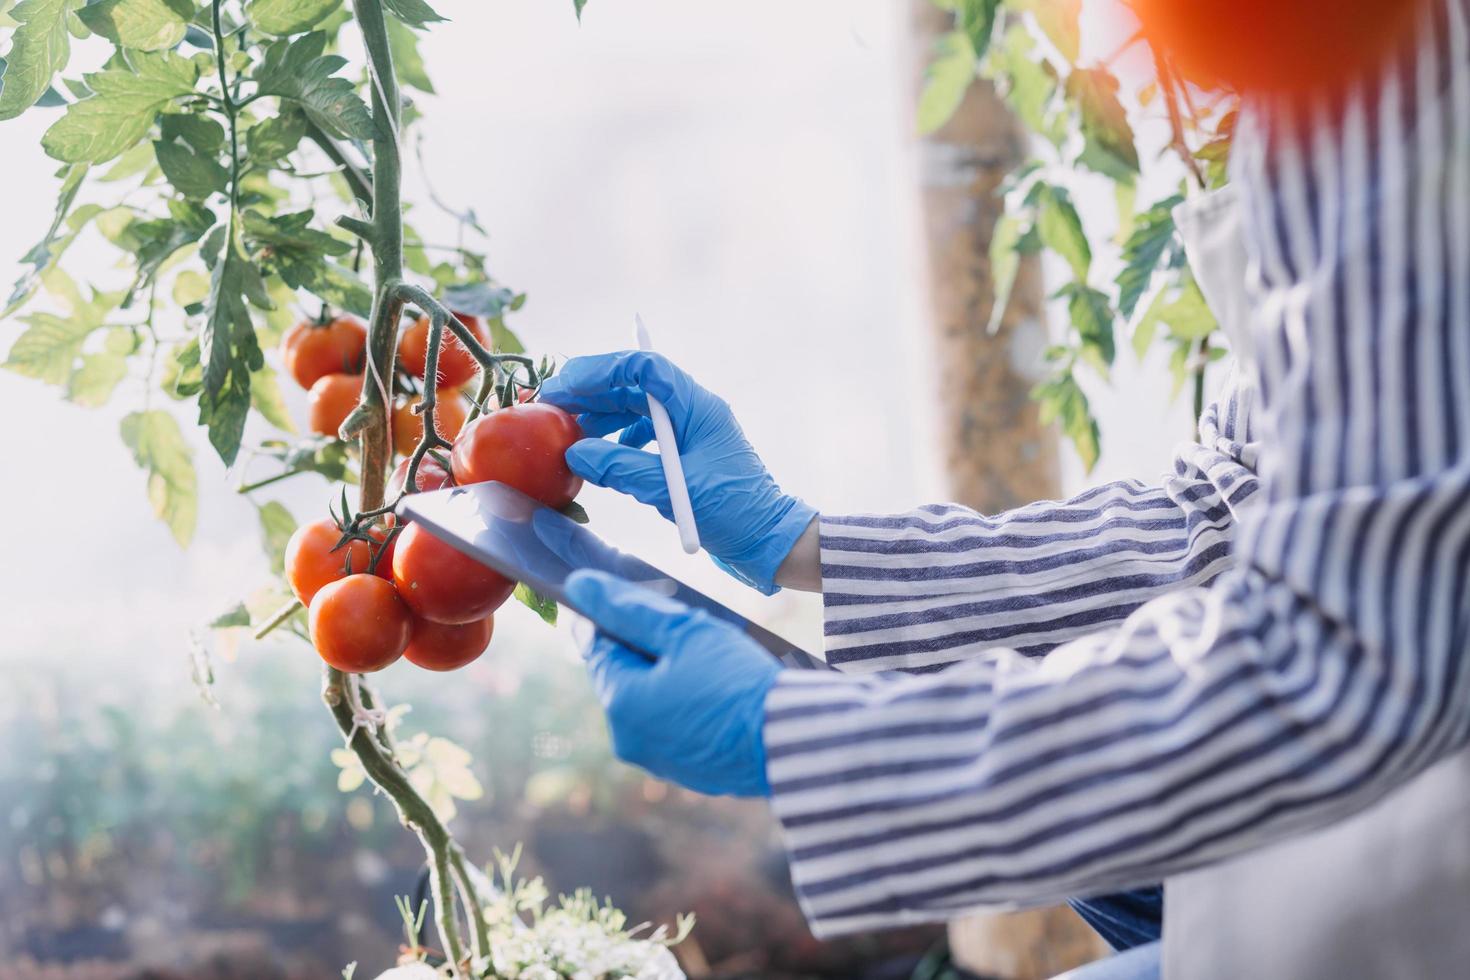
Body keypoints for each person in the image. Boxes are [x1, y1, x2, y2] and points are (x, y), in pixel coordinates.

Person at [538, 1, 1470, 975]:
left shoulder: (1412, 79)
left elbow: (1341, 660)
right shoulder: (1338, 72)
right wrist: (803, 544)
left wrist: (814, 746)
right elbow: (1228, 505)